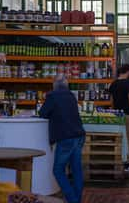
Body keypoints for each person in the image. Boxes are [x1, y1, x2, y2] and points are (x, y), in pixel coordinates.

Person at [39, 74, 85, 203]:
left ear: (54, 85)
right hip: (79, 135)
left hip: (66, 137)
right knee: (76, 170)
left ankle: (72, 199)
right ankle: (77, 199)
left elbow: (42, 113)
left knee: (58, 170)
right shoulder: (71, 96)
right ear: (66, 85)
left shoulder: (52, 96)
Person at [109, 64, 129, 169]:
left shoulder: (113, 84)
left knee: (119, 138)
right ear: (128, 72)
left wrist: (113, 113)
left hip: (117, 115)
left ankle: (118, 160)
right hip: (128, 115)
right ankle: (126, 160)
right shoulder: (128, 85)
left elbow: (111, 102)